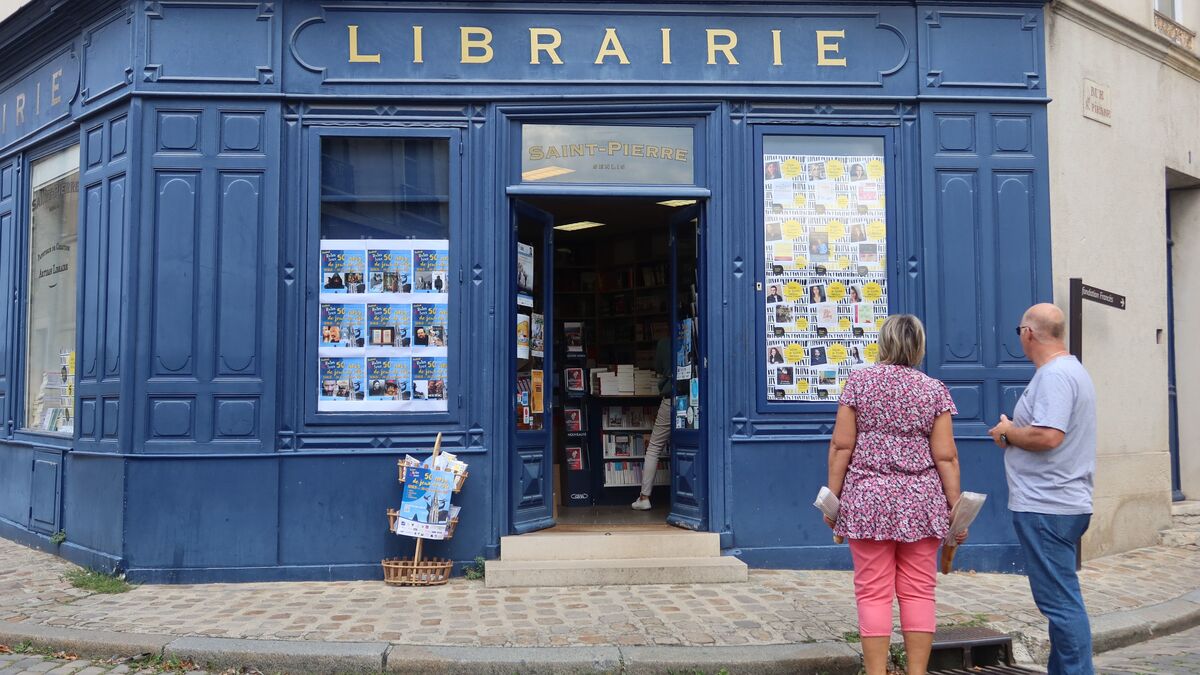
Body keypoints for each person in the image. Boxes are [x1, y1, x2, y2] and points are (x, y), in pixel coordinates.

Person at [826, 314, 965, 675]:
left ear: (883, 343)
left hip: (868, 500)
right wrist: (956, 509)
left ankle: (876, 672)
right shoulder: (934, 390)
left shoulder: (859, 383)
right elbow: (946, 456)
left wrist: (834, 500)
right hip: (921, 502)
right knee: (919, 591)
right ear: (918, 346)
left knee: (872, 591)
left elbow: (842, 446)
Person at [988, 303, 1096, 675]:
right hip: (1060, 500)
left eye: (1019, 330)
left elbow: (1048, 435)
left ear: (1028, 333)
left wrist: (1007, 431)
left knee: (1061, 604)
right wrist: (1016, 433)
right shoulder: (1072, 371)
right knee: (1060, 600)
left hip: (1048, 504)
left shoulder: (1054, 375)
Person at [633, 336, 673, 511]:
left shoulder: (664, 343)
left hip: (671, 398)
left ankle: (644, 497)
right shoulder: (701, 336)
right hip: (695, 399)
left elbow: (659, 368)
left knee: (655, 446)